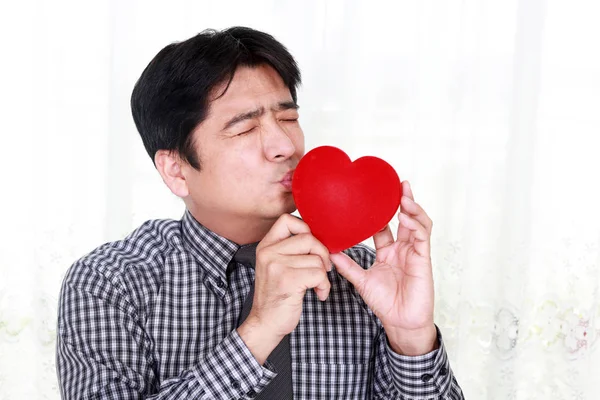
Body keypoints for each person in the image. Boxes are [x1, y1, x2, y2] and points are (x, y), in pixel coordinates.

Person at [56, 26, 465, 399]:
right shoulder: (111, 282)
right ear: (176, 170)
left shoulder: (364, 274)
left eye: (288, 117)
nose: (285, 146)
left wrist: (411, 340)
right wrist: (259, 330)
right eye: (245, 129)